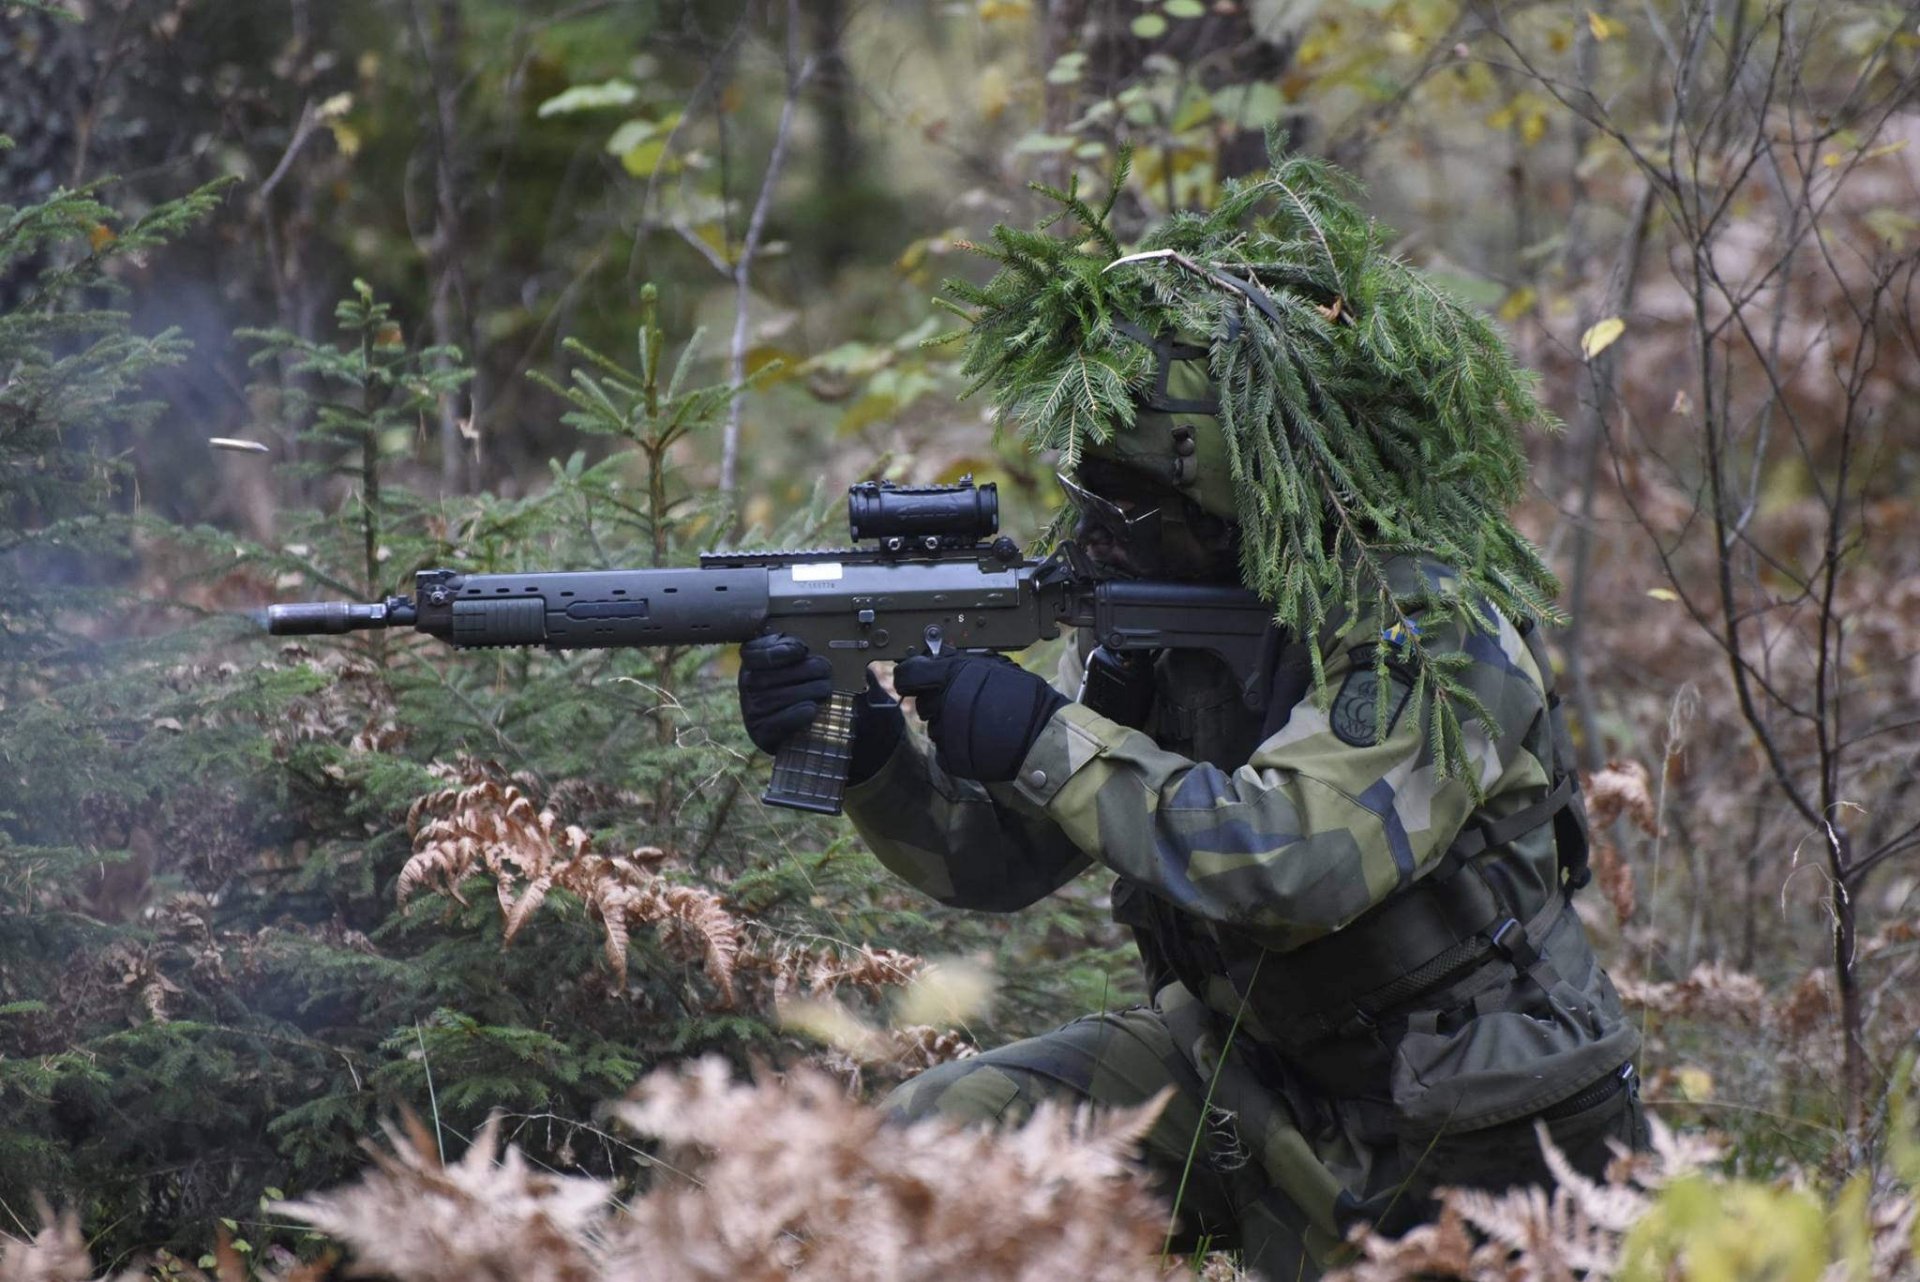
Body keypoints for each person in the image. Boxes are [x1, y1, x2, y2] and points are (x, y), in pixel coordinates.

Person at [735, 153, 1646, 1279]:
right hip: (1257, 1080)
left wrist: (1042, 735)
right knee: (932, 1145)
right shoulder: (1169, 614)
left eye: (1130, 502)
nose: (1095, 529)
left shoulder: (1432, 625)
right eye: (1088, 493)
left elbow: (1295, 860)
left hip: (1473, 1138)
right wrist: (873, 753)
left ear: (1231, 497)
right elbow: (997, 860)